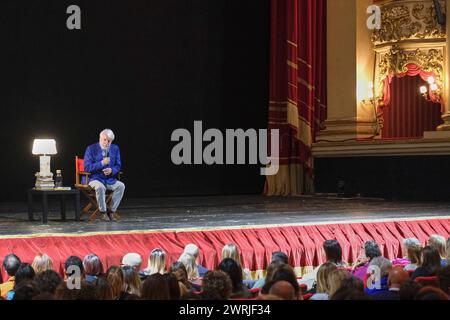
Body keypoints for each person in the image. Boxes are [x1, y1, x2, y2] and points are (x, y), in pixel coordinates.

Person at [83, 128, 125, 222]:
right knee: (100, 187)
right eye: (104, 140)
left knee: (121, 186)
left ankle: (111, 211)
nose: (107, 142)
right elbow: (87, 168)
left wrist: (112, 170)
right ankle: (103, 212)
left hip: (109, 179)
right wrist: (102, 163)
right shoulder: (91, 149)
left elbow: (118, 166)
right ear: (100, 138)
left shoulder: (115, 148)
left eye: (109, 141)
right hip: (94, 178)